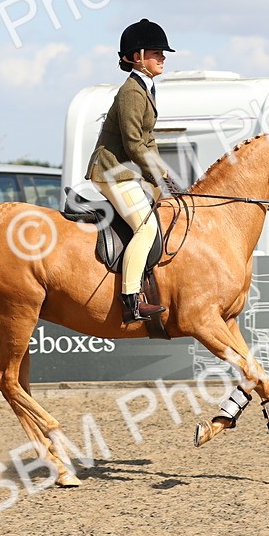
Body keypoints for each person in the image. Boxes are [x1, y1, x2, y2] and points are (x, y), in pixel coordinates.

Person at [85, 18, 173, 323]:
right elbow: (135, 143)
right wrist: (155, 176)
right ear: (137, 56)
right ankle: (132, 299)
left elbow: (149, 141)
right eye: (156, 52)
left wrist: (164, 175)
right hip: (110, 171)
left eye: (163, 53)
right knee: (146, 227)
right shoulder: (131, 92)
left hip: (124, 172)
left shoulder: (145, 88)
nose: (162, 57)